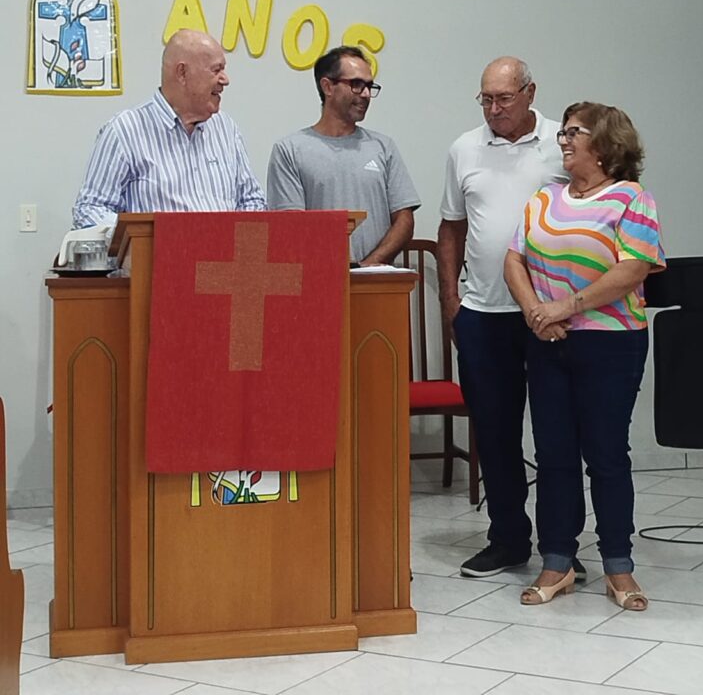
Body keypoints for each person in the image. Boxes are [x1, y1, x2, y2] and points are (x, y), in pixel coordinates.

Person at [504, 102, 665, 610]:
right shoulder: (544, 198)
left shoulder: (631, 198)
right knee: (553, 455)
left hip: (611, 343)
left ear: (606, 142)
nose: (564, 139)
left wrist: (565, 307)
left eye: (576, 132)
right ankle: (558, 562)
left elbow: (632, 269)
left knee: (607, 455)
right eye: (565, 132)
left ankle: (619, 565)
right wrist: (536, 313)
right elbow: (514, 259)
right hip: (548, 341)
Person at [437, 57, 587, 579]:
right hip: (482, 314)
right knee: (496, 434)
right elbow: (451, 227)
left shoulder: (562, 143)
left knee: (557, 435)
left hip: (550, 315)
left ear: (530, 93)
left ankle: (561, 547)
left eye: (503, 98)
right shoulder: (464, 149)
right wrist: (451, 301)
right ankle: (507, 540)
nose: (494, 109)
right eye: (486, 99)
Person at [72, 29, 267, 226]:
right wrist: (153, 233)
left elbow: (252, 200)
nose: (225, 80)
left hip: (220, 247)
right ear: (182, 73)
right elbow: (89, 209)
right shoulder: (125, 131)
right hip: (156, 246)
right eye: (216, 70)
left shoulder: (226, 129)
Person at [267, 46, 419, 265]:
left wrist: (366, 268)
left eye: (369, 86)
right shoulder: (289, 150)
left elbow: (404, 220)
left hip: (376, 281)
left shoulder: (383, 147)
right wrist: (333, 273)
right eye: (356, 84)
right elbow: (291, 227)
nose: (366, 94)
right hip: (317, 279)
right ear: (328, 86)